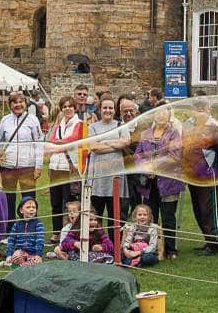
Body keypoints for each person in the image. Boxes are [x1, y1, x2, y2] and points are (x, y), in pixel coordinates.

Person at [0, 92, 43, 236]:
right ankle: (9, 230)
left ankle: (30, 230)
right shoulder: (5, 120)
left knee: (29, 198)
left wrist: (39, 165)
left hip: (27, 166)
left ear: (25, 103)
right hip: (8, 166)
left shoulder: (33, 120)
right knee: (8, 199)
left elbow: (39, 143)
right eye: (15, 102)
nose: (18, 105)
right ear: (10, 105)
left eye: (21, 102)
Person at [134, 103, 184, 259]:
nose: (161, 115)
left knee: (168, 216)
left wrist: (154, 166)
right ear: (153, 115)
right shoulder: (145, 133)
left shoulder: (174, 133)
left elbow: (175, 156)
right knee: (151, 216)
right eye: (158, 113)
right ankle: (152, 247)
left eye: (164, 113)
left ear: (169, 115)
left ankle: (170, 249)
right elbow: (137, 155)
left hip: (168, 182)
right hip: (149, 184)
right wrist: (145, 167)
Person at [182, 97, 218, 255]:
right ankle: (207, 240)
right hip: (192, 174)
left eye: (203, 108)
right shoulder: (188, 124)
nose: (199, 111)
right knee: (197, 208)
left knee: (208, 209)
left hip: (208, 174)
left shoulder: (214, 126)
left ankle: (214, 243)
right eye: (197, 108)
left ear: (208, 110)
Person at [84, 95, 130, 235]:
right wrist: (115, 144)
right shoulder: (92, 127)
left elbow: (125, 142)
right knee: (95, 215)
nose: (107, 110)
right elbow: (93, 147)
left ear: (114, 110)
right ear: (100, 109)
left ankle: (113, 245)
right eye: (105, 108)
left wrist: (103, 143)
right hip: (97, 176)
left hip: (115, 175)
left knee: (114, 215)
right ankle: (97, 244)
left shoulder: (121, 126)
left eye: (110, 108)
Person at [45, 96, 84, 241]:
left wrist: (58, 144)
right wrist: (59, 144)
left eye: (70, 106)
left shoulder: (79, 124)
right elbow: (50, 144)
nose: (67, 109)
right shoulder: (58, 125)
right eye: (65, 106)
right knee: (55, 202)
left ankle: (69, 233)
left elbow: (73, 140)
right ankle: (56, 233)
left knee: (68, 203)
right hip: (55, 166)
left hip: (69, 168)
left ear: (74, 108)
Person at [3, 196, 45, 267]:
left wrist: (38, 255)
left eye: (34, 207)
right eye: (28, 207)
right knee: (17, 256)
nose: (31, 209)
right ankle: (14, 263)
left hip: (33, 253)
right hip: (20, 252)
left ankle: (14, 265)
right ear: (21, 210)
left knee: (36, 262)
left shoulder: (38, 224)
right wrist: (9, 255)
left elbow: (40, 241)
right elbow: (11, 241)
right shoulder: (17, 224)